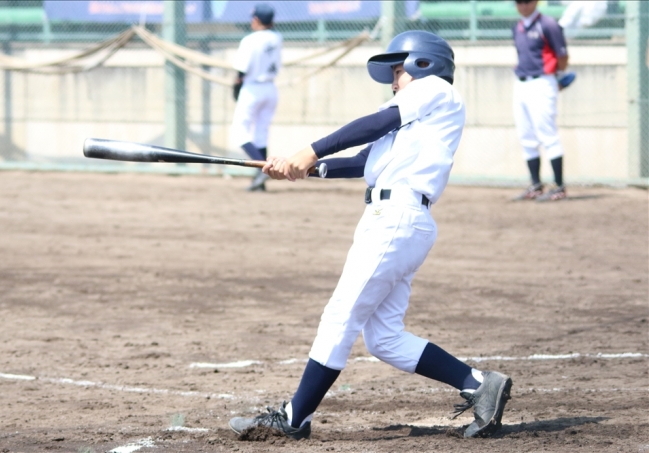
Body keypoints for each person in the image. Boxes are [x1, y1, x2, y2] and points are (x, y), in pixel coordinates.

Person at [228, 31, 513, 440]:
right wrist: (304, 168)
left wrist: (310, 151)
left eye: (398, 71)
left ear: (423, 64)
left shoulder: (434, 89)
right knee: (383, 338)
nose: (394, 82)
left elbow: (375, 124)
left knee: (340, 316)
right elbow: (365, 160)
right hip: (398, 219)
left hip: (396, 217)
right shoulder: (418, 116)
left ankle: (295, 418)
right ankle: (479, 384)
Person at [511, 0, 570, 202]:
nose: (523, 5)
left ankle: (559, 186)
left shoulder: (548, 24)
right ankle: (535, 185)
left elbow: (562, 55)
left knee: (547, 134)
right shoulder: (517, 26)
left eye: (526, 1)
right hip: (522, 82)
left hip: (543, 81)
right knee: (526, 134)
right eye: (518, 2)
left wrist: (557, 77)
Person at [230, 3, 282, 192]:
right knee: (261, 134)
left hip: (252, 88)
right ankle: (260, 181)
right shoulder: (277, 37)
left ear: (257, 20)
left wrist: (236, 86)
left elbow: (241, 70)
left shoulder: (250, 40)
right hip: (270, 88)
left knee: (239, 133)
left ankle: (262, 170)